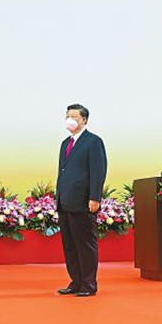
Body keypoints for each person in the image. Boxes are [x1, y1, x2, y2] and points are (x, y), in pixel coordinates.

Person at [55, 103, 107, 297]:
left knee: (85, 244)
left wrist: (94, 197)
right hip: (65, 201)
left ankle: (88, 284)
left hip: (83, 201)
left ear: (84, 120)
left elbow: (98, 171)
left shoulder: (93, 142)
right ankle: (76, 282)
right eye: (68, 116)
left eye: (74, 117)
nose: (70, 119)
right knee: (69, 245)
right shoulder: (65, 143)